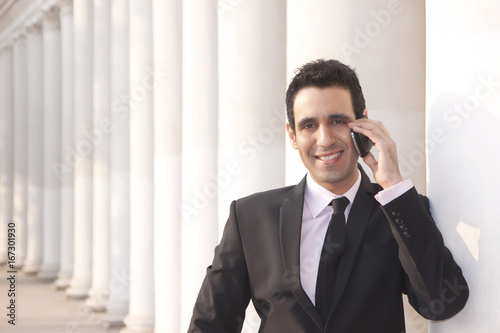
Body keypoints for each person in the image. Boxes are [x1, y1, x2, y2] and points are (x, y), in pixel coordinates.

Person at [188, 59, 468, 333]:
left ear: (362, 125)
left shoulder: (401, 210)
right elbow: (210, 325)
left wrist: (393, 185)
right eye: (309, 125)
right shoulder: (250, 217)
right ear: (292, 135)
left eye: (337, 121)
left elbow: (442, 304)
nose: (324, 139)